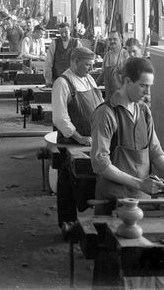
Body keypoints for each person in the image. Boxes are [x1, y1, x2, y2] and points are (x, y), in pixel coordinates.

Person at [90, 57, 164, 210]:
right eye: (143, 86)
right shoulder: (106, 114)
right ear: (128, 81)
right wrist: (141, 183)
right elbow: (100, 164)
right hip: (113, 201)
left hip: (142, 199)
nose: (148, 92)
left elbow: (155, 152)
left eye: (149, 86)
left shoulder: (144, 111)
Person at [51, 46, 104, 226]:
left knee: (88, 182)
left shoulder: (89, 79)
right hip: (72, 142)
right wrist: (79, 137)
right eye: (87, 65)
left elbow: (100, 106)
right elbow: (60, 118)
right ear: (74, 61)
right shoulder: (62, 83)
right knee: (68, 183)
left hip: (91, 140)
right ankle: (68, 224)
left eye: (92, 65)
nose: (91, 69)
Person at [44, 22, 81, 86]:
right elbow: (48, 62)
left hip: (72, 79)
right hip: (57, 78)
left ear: (70, 31)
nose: (63, 35)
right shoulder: (54, 43)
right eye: (61, 33)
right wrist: (48, 79)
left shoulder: (77, 43)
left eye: (66, 32)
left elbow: (80, 61)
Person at [99, 31, 128, 102]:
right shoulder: (107, 55)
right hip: (109, 96)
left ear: (120, 40)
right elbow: (103, 74)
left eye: (115, 39)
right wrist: (94, 86)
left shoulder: (125, 55)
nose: (112, 41)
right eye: (110, 39)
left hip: (123, 96)